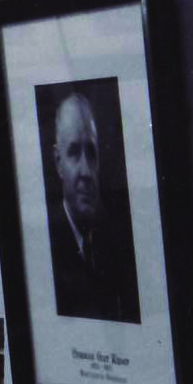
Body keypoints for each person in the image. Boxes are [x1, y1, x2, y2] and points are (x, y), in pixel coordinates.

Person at [46, 89, 141, 323]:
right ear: (58, 163)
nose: (86, 171)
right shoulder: (45, 245)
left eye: (92, 153)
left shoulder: (116, 244)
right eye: (74, 153)